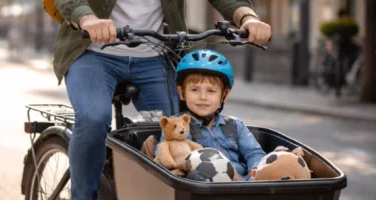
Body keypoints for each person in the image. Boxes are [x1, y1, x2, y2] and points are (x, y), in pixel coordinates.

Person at [51, 0, 271, 199]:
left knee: (176, 131)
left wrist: (248, 17)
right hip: (93, 54)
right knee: (93, 119)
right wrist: (86, 18)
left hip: (153, 58)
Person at [156, 49, 266, 181]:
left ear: (224, 95)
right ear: (182, 92)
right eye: (195, 90)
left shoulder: (235, 125)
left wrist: (255, 168)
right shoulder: (176, 127)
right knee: (195, 176)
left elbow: (253, 152)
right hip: (205, 185)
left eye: (211, 91)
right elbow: (171, 155)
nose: (203, 97)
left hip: (244, 183)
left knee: (277, 164)